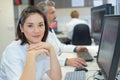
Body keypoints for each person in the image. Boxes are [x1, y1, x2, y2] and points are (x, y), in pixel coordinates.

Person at [1, 6, 61, 80]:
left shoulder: (43, 47)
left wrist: (51, 50)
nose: (36, 31)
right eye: (30, 26)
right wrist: (31, 56)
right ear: (21, 28)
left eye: (40, 25)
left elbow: (57, 78)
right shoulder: (12, 51)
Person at [36, 0, 87, 68]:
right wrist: (66, 61)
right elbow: (44, 58)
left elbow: (60, 47)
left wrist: (76, 48)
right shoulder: (37, 34)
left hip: (57, 63)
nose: (56, 16)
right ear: (42, 15)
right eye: (52, 13)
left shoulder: (49, 30)